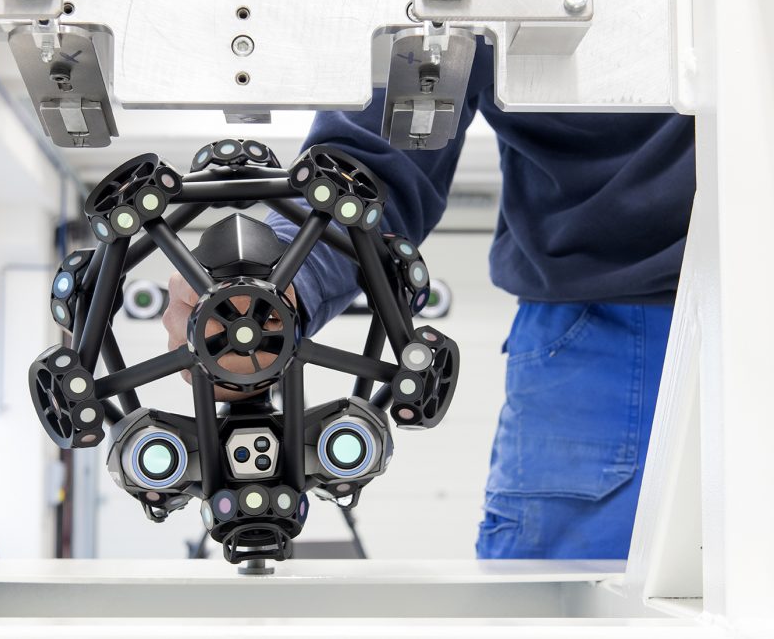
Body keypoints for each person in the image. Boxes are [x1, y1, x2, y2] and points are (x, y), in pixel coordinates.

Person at [162, 38, 695, 559]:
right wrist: (277, 275)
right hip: (611, 331)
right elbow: (382, 147)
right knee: (563, 609)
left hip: (616, 325)